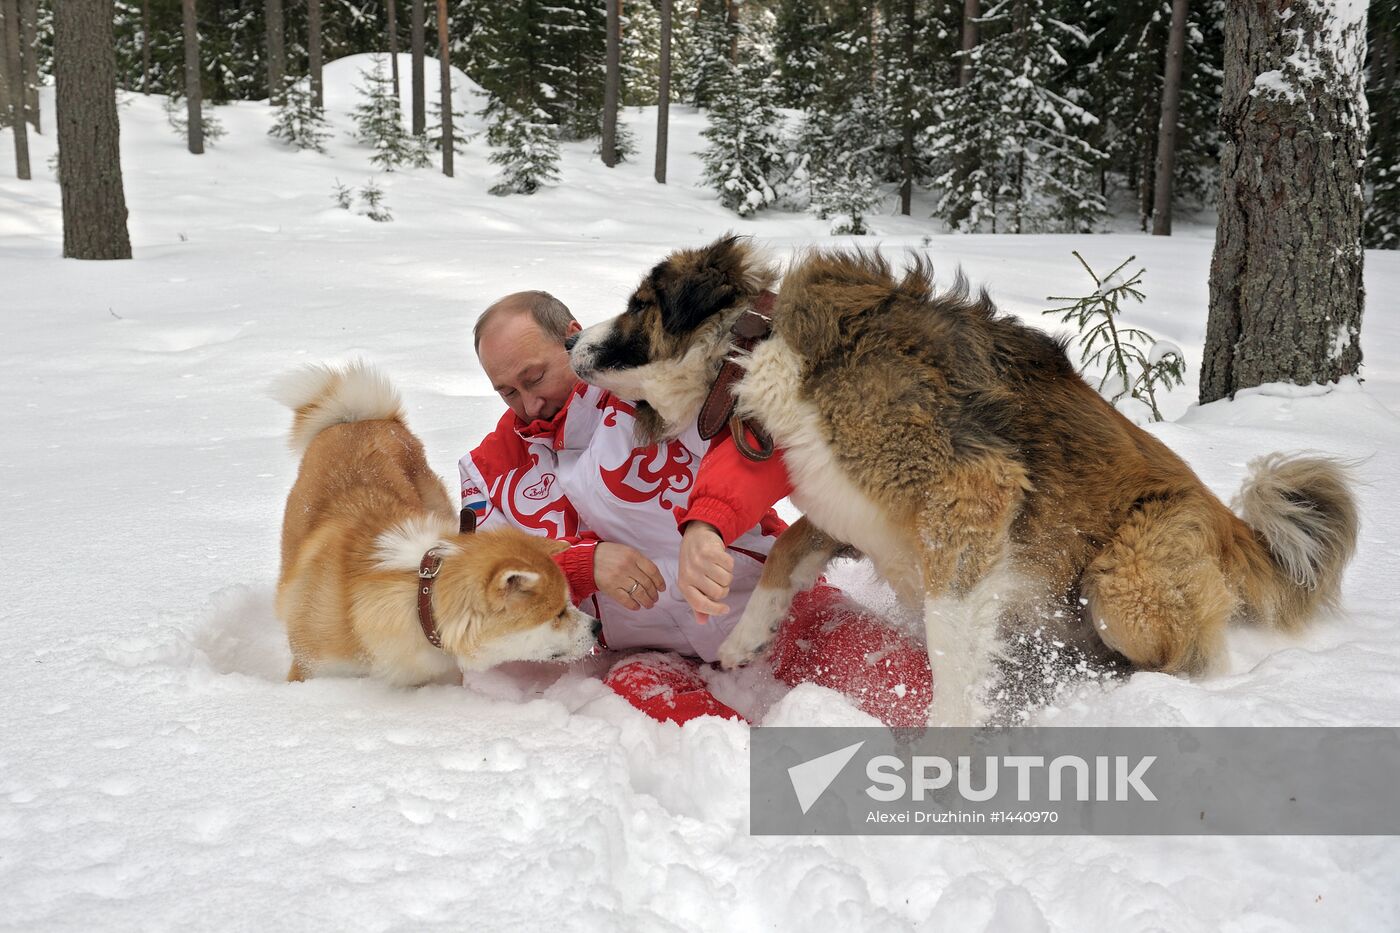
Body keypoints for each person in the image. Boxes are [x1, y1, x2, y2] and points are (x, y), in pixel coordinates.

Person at [461, 290, 933, 726]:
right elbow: (475, 584)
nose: (530, 404)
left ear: (573, 338)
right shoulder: (488, 472)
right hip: (648, 656)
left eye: (535, 378)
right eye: (508, 392)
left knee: (914, 692)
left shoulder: (658, 382)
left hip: (776, 606)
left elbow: (765, 441)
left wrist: (708, 523)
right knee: (699, 743)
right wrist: (580, 566)